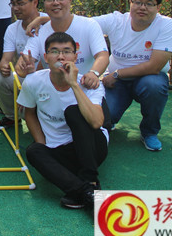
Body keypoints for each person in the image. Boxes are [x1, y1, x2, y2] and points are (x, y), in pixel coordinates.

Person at [17, 32, 109, 210]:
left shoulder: (88, 83)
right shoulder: (34, 81)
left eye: (67, 51)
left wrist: (73, 84)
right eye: (54, 52)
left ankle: (90, 180)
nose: (60, 57)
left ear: (75, 56)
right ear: (46, 58)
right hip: (58, 151)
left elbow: (96, 122)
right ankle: (86, 192)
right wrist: (42, 144)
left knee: (74, 112)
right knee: (34, 150)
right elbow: (30, 113)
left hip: (92, 149)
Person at [93, 0, 172, 152]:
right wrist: (47, 19)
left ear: (158, 7)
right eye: (138, 2)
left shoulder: (166, 24)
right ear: (130, 3)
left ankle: (149, 132)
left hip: (147, 78)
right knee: (106, 118)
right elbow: (80, 24)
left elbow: (154, 66)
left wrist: (116, 74)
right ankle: (111, 120)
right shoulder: (116, 20)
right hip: (117, 82)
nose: (142, 7)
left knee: (154, 86)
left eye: (149, 3)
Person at [16, 0, 109, 89]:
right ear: (43, 3)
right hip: (52, 91)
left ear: (70, 0)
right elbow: (21, 66)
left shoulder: (89, 25)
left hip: (85, 87)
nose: (55, 3)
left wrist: (93, 73)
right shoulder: (39, 32)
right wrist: (25, 69)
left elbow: (103, 56)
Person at [0, 0, 42, 128]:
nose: (15, 8)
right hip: (25, 74)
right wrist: (3, 66)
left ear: (35, 3)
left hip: (47, 76)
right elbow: (5, 59)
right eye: (12, 4)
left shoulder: (49, 22)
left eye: (20, 3)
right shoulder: (12, 29)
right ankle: (12, 116)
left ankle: (39, 116)